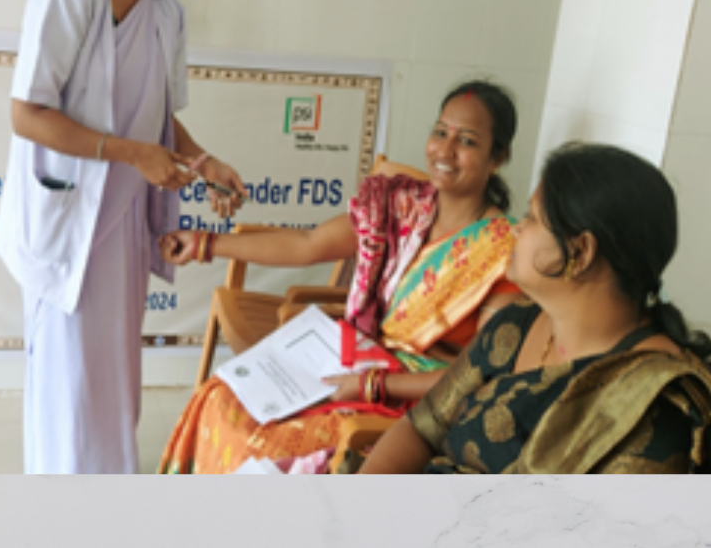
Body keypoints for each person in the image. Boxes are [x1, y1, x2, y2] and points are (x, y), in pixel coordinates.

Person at [0, 0, 247, 475]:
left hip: (123, 224)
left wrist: (205, 162)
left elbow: (159, 118)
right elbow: (27, 115)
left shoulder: (167, 14)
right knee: (67, 383)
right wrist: (133, 155)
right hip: (66, 226)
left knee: (114, 379)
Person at [156, 81, 527, 474]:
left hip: (415, 406)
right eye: (440, 132)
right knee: (222, 398)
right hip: (354, 361)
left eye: (467, 141)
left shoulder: (502, 255)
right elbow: (307, 243)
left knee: (260, 444)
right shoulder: (401, 206)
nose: (445, 150)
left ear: (498, 157)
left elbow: (478, 376)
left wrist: (374, 385)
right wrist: (205, 244)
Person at [357, 142, 711, 474]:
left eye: (533, 218)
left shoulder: (649, 410)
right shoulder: (515, 326)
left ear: (580, 252)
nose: (517, 228)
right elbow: (422, 428)